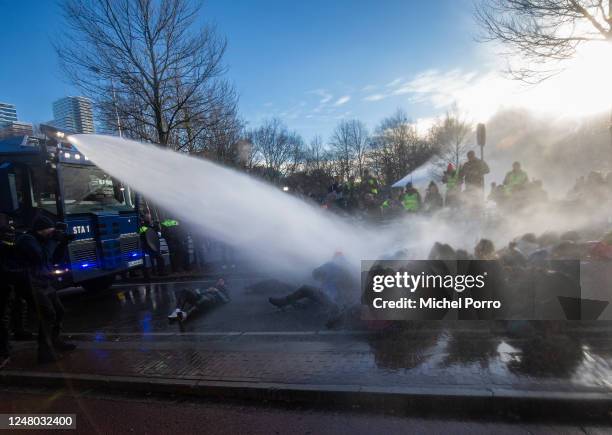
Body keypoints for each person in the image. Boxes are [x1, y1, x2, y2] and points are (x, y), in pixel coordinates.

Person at [15, 216, 76, 363]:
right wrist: (54, 240)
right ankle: (44, 352)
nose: (53, 232)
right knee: (48, 314)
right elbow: (40, 257)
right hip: (30, 283)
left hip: (44, 282)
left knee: (59, 311)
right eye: (51, 230)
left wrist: (62, 243)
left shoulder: (43, 240)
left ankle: (55, 340)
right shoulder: (27, 240)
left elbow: (53, 260)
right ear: (41, 229)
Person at [269, 252, 356, 317]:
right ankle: (294, 307)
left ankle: (283, 303)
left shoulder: (338, 268)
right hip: (331, 301)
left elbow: (316, 273)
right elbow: (316, 274)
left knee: (305, 289)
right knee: (308, 297)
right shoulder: (344, 269)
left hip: (333, 303)